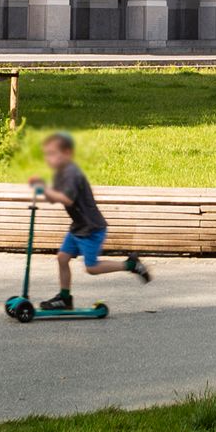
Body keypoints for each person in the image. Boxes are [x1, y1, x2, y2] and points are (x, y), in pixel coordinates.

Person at [31, 131, 151, 310]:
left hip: (91, 228)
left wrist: (45, 190)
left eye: (53, 154)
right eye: (47, 154)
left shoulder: (72, 174)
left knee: (91, 267)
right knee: (63, 258)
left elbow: (67, 199)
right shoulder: (60, 173)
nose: (49, 159)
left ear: (67, 153)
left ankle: (130, 264)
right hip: (78, 226)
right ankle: (64, 298)